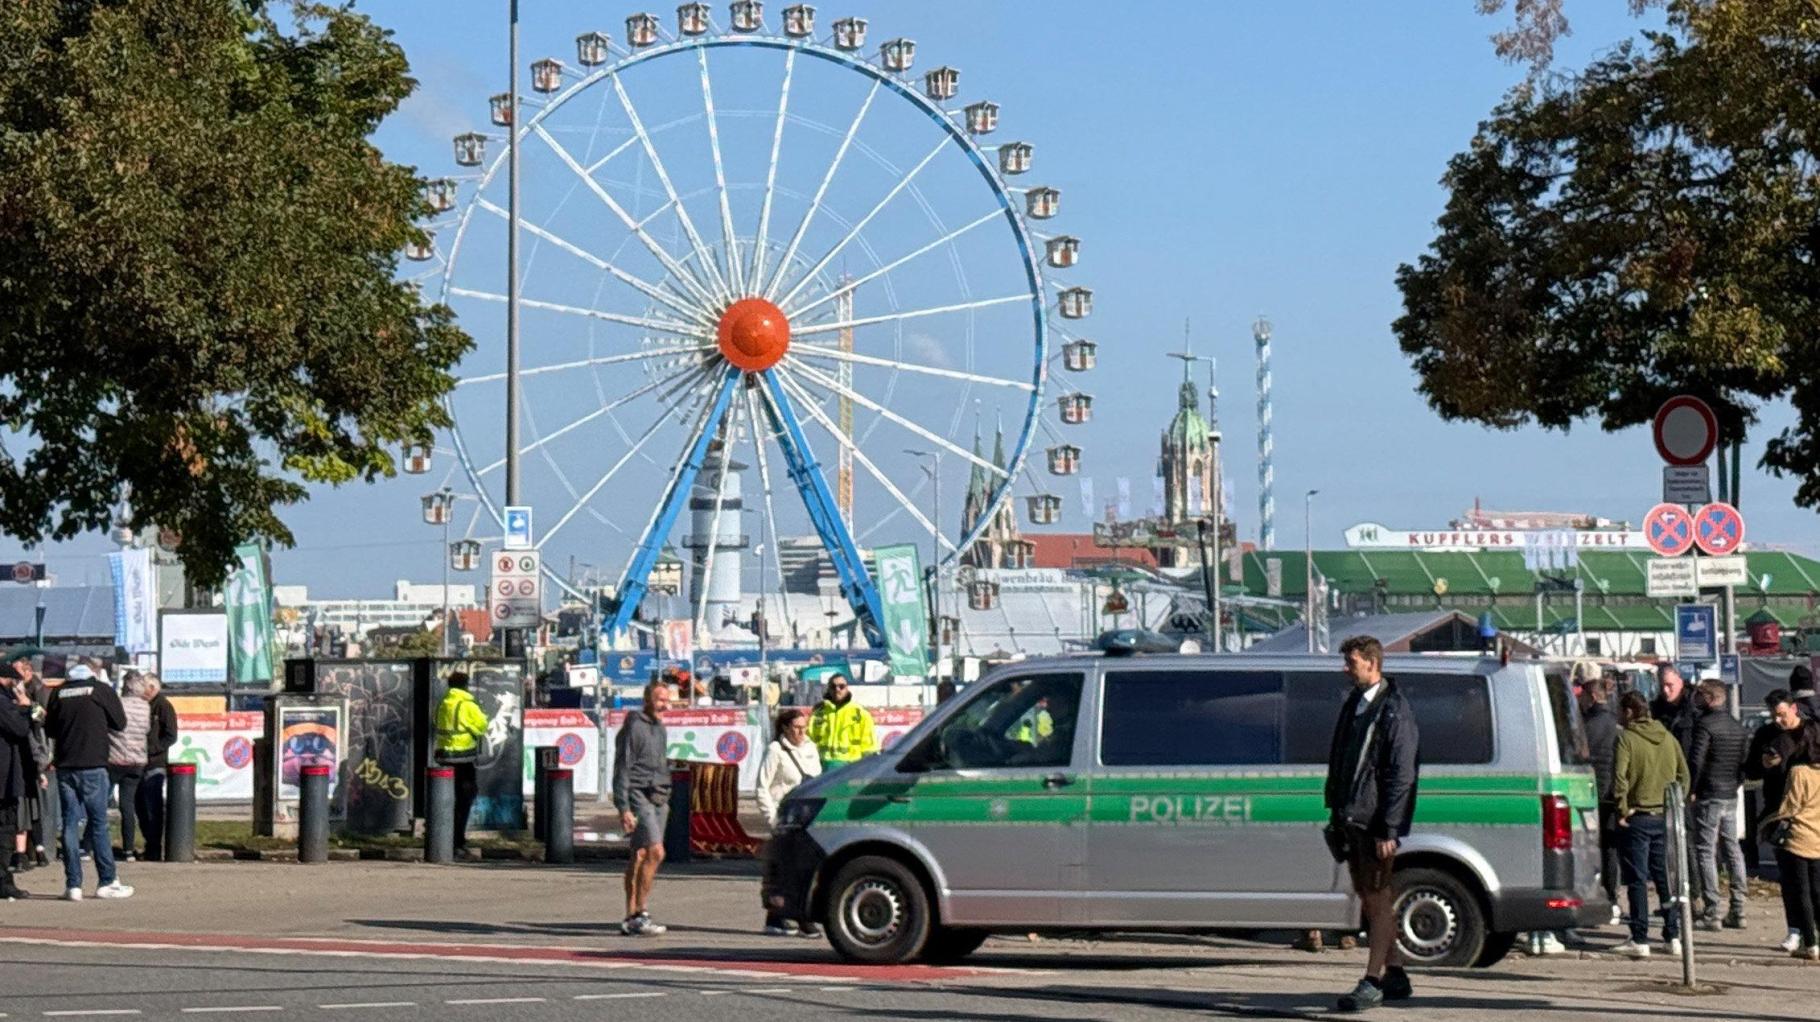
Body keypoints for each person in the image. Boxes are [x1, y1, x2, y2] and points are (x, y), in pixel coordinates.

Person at [1323, 635, 1419, 1013]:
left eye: (1352, 662)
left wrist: (1389, 828)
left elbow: (1401, 774)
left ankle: (1372, 980)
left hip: (1374, 821)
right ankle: (1395, 972)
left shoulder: (1394, 710)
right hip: (1353, 818)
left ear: (1372, 662)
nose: (1346, 669)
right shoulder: (1355, 705)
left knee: (1378, 901)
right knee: (1370, 898)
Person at [1610, 691, 1688, 958]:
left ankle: (1640, 937)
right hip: (1663, 817)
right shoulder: (1668, 737)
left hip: (1637, 816)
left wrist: (1622, 808)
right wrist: (1674, 803)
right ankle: (1672, 934)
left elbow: (1620, 777)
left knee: (1637, 879)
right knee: (1664, 876)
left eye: (1620, 710)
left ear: (1629, 711)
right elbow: (1683, 775)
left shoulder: (1626, 739)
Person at [47, 664, 131, 900]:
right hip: (93, 763)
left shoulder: (59, 692)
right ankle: (107, 880)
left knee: (70, 824)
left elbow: (50, 729)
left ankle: (73, 884)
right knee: (98, 823)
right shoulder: (100, 690)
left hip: (65, 765)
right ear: (92, 675)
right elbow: (119, 722)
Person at [1746, 689, 1811, 951]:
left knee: (1812, 879)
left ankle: (1811, 930)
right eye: (1774, 716)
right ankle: (1794, 928)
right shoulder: (1766, 735)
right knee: (1789, 875)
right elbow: (1750, 769)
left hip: (1810, 811)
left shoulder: (1811, 733)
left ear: (1794, 709)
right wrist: (1764, 763)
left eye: (1783, 715)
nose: (1779, 721)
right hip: (1779, 811)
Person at [755, 708, 822, 936]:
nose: (801, 732)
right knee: (785, 871)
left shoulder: (811, 748)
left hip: (807, 819)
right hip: (785, 819)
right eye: (796, 727)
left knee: (806, 870)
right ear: (785, 728)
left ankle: (794, 916)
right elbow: (762, 787)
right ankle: (779, 918)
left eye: (804, 727)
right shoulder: (776, 750)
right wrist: (772, 818)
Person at [1688, 679, 1749, 931]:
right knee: (1732, 848)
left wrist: (1692, 788)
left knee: (1706, 850)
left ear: (1709, 698)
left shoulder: (1704, 725)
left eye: (1699, 695)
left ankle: (1712, 910)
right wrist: (1735, 784)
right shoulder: (1738, 727)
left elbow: (1696, 760)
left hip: (1709, 792)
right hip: (1730, 793)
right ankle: (1738, 907)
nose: (1696, 699)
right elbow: (1743, 763)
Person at [613, 679, 672, 936]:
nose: (665, 705)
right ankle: (640, 912)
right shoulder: (634, 726)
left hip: (659, 795)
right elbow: (622, 767)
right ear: (647, 700)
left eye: (667, 700)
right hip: (638, 793)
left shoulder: (660, 728)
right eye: (660, 700)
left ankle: (631, 915)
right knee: (656, 852)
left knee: (639, 854)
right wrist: (623, 806)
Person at [1762, 726, 1820, 961]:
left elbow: (1791, 806)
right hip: (1818, 837)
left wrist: (1769, 822)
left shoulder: (1798, 772)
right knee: (1818, 891)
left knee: (1801, 892)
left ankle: (1811, 943)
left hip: (1798, 837)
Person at [1581, 675, 1623, 926]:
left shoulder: (1586, 725)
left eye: (1584, 697)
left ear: (1593, 697)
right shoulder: (1617, 723)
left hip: (1590, 790)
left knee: (1588, 847)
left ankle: (1592, 895)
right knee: (1610, 848)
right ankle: (1613, 897)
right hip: (1612, 792)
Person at [432, 671, 488, 854]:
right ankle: (457, 841)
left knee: (444, 800)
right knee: (464, 800)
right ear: (465, 685)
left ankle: (441, 838)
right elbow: (481, 726)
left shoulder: (443, 703)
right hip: (463, 758)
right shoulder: (467, 704)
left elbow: (434, 721)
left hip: (443, 757)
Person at [107, 673, 151, 862]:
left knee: (99, 804)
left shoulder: (118, 703)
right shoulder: (146, 706)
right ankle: (128, 850)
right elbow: (146, 730)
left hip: (115, 759)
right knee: (128, 807)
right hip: (137, 760)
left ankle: (88, 846)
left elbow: (111, 726)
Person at [0, 671, 34, 900]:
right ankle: (3, 880)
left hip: (7, 775)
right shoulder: (2, 701)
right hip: (3, 777)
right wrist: (24, 708)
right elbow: (19, 728)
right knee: (5, 827)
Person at [137, 675, 177, 861]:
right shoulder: (141, 705)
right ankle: (148, 842)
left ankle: (154, 847)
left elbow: (171, 735)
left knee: (153, 806)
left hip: (155, 763)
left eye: (143, 687)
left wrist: (154, 749)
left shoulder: (163, 706)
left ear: (152, 688)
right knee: (140, 806)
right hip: (138, 761)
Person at [808, 674, 877, 770]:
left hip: (850, 769)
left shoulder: (860, 714)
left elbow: (870, 748)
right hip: (822, 767)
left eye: (841, 686)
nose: (837, 689)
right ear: (828, 689)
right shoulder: (818, 714)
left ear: (847, 688)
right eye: (833, 686)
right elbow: (809, 741)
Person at [1650, 665, 1698, 759]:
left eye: (1669, 685)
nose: (1665, 690)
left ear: (1680, 682)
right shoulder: (1655, 710)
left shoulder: (1695, 707)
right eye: (1662, 686)